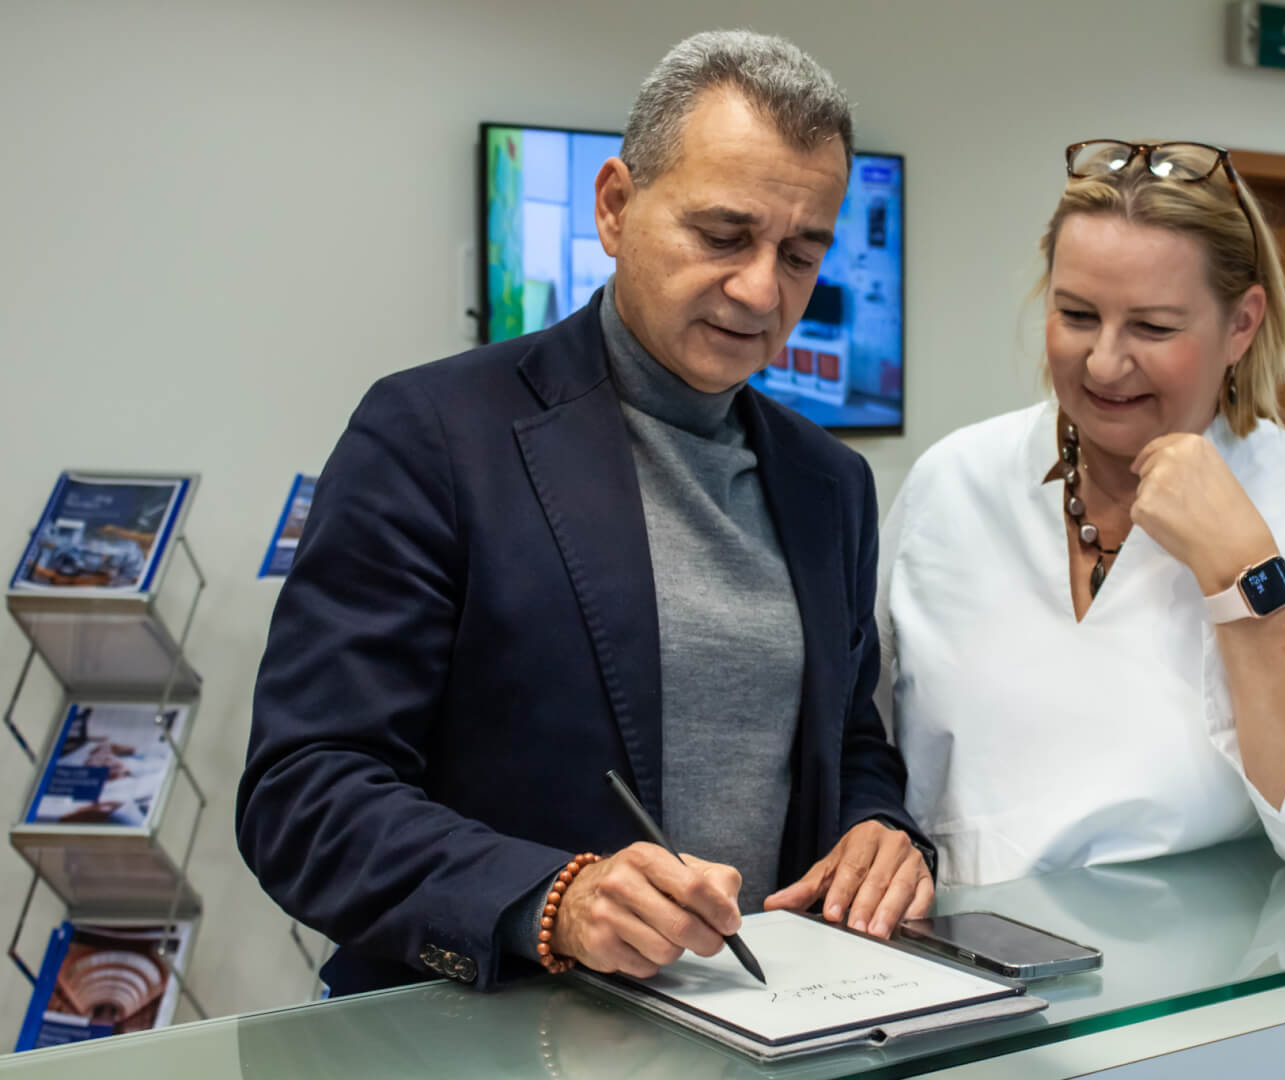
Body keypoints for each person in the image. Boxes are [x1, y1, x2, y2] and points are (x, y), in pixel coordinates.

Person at [237, 30, 933, 996]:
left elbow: (849, 740)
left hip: (758, 1027)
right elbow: (304, 794)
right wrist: (550, 900)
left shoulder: (828, 482)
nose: (761, 290)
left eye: (800, 252)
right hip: (481, 1031)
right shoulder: (435, 434)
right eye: (723, 235)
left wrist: (879, 831)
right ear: (614, 207)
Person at [878, 140, 1285, 887]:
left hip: (1197, 990)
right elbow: (864, 745)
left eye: (1152, 328)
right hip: (959, 970)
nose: (1106, 363)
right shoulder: (952, 483)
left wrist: (1243, 569)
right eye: (1077, 315)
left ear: (1241, 325)